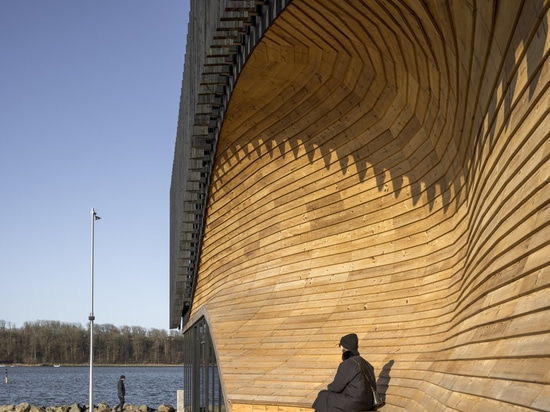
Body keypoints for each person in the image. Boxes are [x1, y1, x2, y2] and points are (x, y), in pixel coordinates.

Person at [312, 333, 378, 412]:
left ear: (344, 347)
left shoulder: (348, 364)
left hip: (355, 403)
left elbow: (336, 387)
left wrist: (329, 387)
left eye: (340, 345)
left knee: (323, 396)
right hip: (368, 403)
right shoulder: (366, 364)